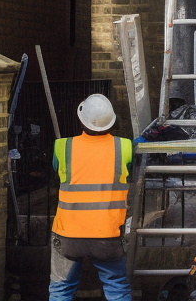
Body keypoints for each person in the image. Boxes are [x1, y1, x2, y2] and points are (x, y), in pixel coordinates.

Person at [49, 94, 134, 301]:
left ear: (81, 120)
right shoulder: (125, 147)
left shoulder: (62, 147)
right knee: (117, 288)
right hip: (108, 236)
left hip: (68, 236)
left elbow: (56, 171)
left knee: (61, 289)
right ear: (112, 122)